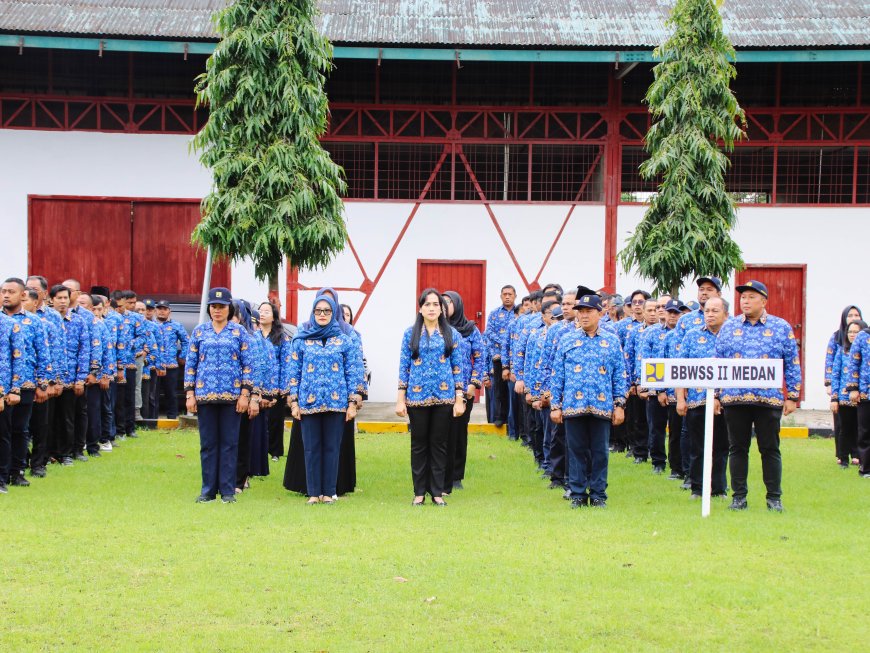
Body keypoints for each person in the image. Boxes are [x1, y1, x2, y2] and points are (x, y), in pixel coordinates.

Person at [716, 280, 801, 512]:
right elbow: (718, 362)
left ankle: (774, 498)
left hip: (768, 400)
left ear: (763, 301)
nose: (745, 300)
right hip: (735, 399)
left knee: (770, 449)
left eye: (751, 297)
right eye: (743, 297)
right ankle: (739, 497)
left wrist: (793, 395)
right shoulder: (729, 327)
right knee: (737, 448)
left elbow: (792, 362)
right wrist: (716, 394)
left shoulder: (781, 327)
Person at [549, 294, 627, 509]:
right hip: (574, 405)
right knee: (575, 451)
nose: (583, 316)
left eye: (588, 311)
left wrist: (619, 405)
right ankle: (577, 493)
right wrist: (555, 405)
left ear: (600, 314)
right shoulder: (567, 340)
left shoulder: (611, 341)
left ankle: (599, 494)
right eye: (580, 311)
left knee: (600, 452)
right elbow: (558, 375)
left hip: (602, 406)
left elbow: (619, 374)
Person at [285, 294, 364, 504]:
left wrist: (353, 402)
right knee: (311, 448)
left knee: (332, 448)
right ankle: (313, 493)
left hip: (336, 403)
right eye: (318, 311)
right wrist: (293, 401)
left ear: (334, 313)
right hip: (308, 404)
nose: (322, 314)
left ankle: (328, 492)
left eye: (327, 311)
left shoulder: (344, 340)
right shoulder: (302, 340)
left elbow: (354, 372)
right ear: (312, 313)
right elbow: (293, 372)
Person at [184, 287, 256, 504]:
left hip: (231, 397)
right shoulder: (199, 332)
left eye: (221, 307)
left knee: (229, 444)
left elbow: (248, 365)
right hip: (204, 396)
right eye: (213, 307)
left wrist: (245, 394)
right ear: (209, 309)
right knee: (208, 444)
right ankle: (208, 490)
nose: (217, 310)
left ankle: (227, 490)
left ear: (229, 308)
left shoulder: (238, 332)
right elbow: (191, 364)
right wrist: (189, 394)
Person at [396, 288, 464, 506]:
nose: (432, 308)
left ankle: (436, 491)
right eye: (428, 304)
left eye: (436, 304)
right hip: (416, 398)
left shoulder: (451, 334)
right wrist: (400, 398)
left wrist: (459, 397)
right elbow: (403, 367)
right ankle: (418, 492)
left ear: (442, 309)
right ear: (420, 308)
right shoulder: (410, 334)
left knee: (439, 445)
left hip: (444, 397)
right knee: (418, 444)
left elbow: (457, 367)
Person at [676, 297, 730, 499]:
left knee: (721, 447)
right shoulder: (691, 336)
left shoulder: (732, 336)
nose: (710, 315)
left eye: (715, 311)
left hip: (724, 403)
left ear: (725, 314)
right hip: (697, 401)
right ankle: (697, 488)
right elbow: (680, 369)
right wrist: (680, 398)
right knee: (697, 446)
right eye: (707, 311)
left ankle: (718, 488)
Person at [442, 291, 485, 493]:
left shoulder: (470, 330)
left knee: (458, 433)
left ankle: (456, 475)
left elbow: (480, 357)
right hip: (441, 391)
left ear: (457, 305)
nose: (444, 306)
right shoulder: (436, 329)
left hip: (464, 391)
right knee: (441, 433)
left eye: (448, 302)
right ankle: (439, 472)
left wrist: (473, 384)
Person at [49, 284, 89, 466]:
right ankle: (48, 453)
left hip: (71, 379)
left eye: (65, 297)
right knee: (48, 419)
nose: (63, 301)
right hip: (50, 380)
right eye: (59, 298)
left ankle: (66, 453)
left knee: (68, 418)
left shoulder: (79, 321)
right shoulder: (46, 320)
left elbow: (84, 351)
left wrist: (80, 379)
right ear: (51, 300)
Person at [825, 305, 862, 464]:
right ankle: (841, 454)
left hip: (860, 390)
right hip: (840, 388)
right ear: (844, 318)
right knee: (842, 424)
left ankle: (857, 454)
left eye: (856, 315)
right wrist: (829, 384)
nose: (853, 318)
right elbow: (830, 362)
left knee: (859, 424)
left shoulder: (864, 339)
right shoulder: (837, 337)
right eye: (850, 315)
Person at [830, 319, 865, 469]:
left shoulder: (865, 351)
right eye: (850, 331)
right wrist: (834, 398)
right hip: (844, 397)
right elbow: (835, 375)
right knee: (845, 428)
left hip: (861, 397)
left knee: (861, 428)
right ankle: (843, 458)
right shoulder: (842, 351)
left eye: (856, 332)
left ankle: (858, 456)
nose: (852, 335)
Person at [257, 301, 289, 460]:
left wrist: (282, 388)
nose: (262, 314)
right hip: (258, 384)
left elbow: (286, 363)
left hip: (276, 385)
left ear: (274, 317)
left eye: (266, 312)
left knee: (275, 420)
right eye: (260, 311)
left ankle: (275, 451)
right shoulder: (253, 336)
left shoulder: (281, 338)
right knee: (258, 421)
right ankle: (259, 450)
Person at [485, 285, 517, 429]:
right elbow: (489, 333)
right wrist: (504, 341)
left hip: (515, 357)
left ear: (515, 296)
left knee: (514, 389)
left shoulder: (519, 313)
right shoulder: (494, 314)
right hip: (498, 357)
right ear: (501, 296)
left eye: (510, 294)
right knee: (499, 389)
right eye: (505, 294)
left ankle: (514, 419)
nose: (507, 296)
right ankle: (500, 417)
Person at [154, 300, 189, 419]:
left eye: (164, 309)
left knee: (171, 393)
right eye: (159, 308)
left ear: (169, 311)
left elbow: (186, 341)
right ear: (155, 310)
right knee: (153, 394)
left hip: (171, 366)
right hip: (154, 365)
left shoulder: (176, 325)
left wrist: (182, 356)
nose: (162, 311)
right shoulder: (151, 325)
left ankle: (172, 417)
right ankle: (152, 418)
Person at [846, 324, 870, 479]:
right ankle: (866, 469)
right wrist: (853, 388)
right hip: (866, 393)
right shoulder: (863, 336)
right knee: (865, 432)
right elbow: (853, 363)